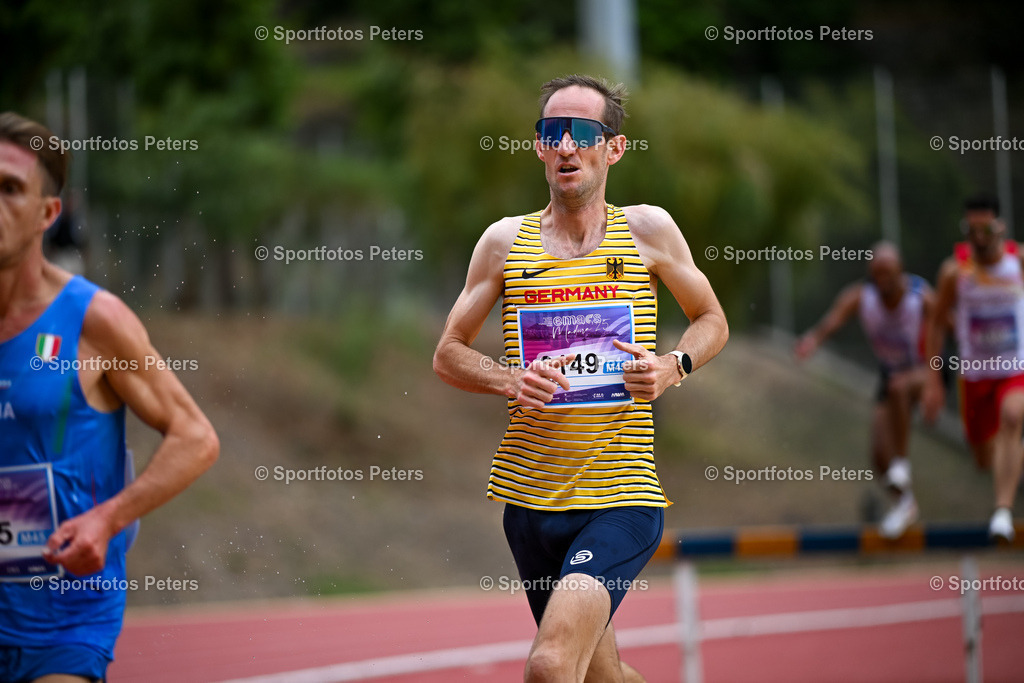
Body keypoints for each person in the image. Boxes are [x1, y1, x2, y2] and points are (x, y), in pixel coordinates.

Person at [433, 75, 728, 682]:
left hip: (618, 500)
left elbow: (711, 319)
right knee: (601, 677)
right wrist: (507, 379)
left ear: (613, 149)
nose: (565, 145)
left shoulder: (647, 231)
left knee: (548, 666)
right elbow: (448, 353)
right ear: (539, 148)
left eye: (582, 132)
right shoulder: (504, 242)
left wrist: (673, 367)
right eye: (551, 132)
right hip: (528, 503)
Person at [0, 111, 219, 681]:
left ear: (48, 214)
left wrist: (106, 519)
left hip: (64, 617)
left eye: (10, 189)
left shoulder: (93, 320)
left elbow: (194, 437)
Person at [795, 243, 934, 538]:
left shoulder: (920, 296)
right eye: (876, 274)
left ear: (901, 272)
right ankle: (905, 503)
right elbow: (836, 317)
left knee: (899, 388)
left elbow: (949, 323)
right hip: (891, 374)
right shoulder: (862, 296)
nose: (882, 280)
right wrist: (813, 340)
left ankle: (902, 463)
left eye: (888, 274)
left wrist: (939, 385)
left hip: (926, 369)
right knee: (878, 454)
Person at [924, 193, 1024, 542]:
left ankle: (1002, 511)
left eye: (985, 228)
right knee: (983, 457)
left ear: (1000, 227)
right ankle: (1006, 465)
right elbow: (936, 323)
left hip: (1015, 367)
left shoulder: (1019, 262)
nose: (978, 237)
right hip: (975, 374)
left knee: (1013, 416)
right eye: (971, 229)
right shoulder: (955, 272)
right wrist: (933, 380)